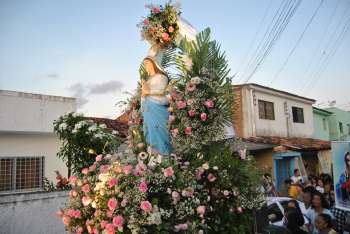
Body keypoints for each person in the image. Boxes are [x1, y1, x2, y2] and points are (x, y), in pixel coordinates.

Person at [141, 51, 172, 156]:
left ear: (154, 63)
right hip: (148, 110)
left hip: (157, 109)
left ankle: (165, 155)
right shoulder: (148, 80)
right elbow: (144, 95)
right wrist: (143, 95)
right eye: (144, 64)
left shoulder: (161, 77)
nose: (145, 66)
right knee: (150, 131)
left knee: (160, 131)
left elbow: (161, 93)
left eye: (147, 63)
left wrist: (147, 91)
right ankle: (154, 156)